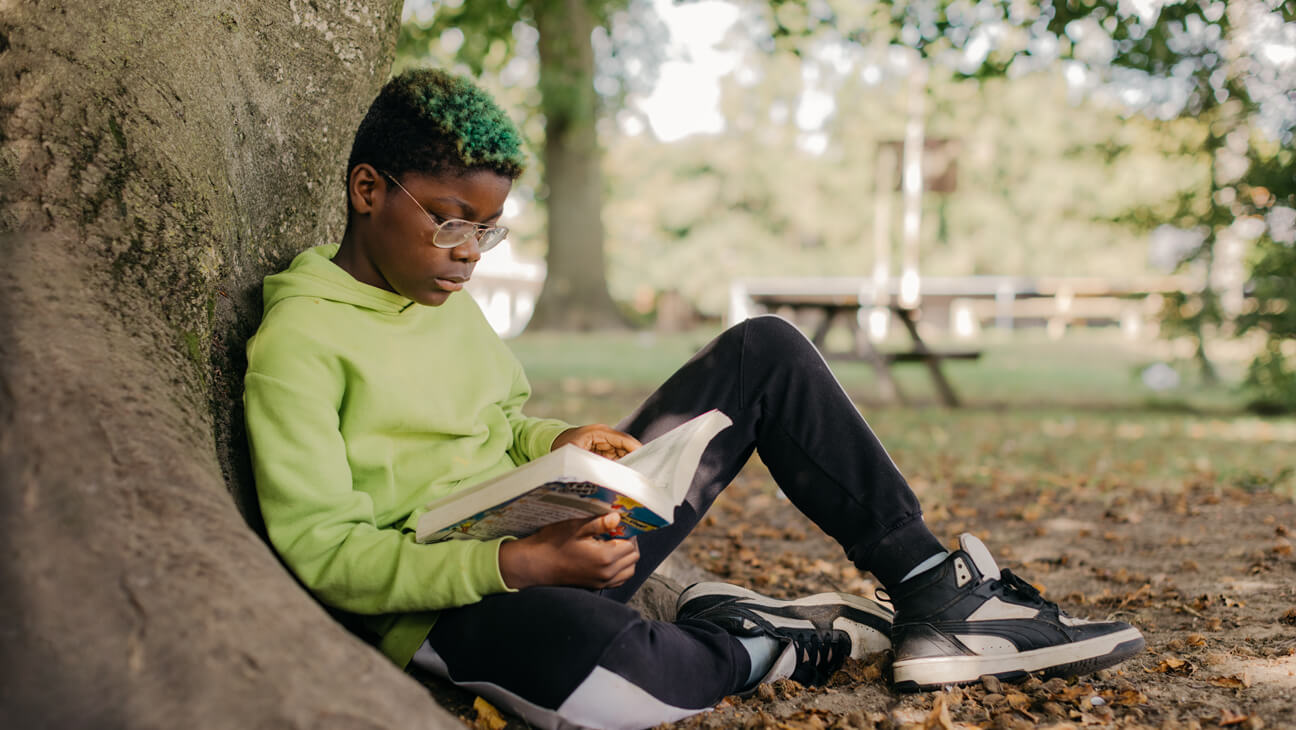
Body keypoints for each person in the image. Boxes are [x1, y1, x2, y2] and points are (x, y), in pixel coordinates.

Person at [243, 69, 1144, 730]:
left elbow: (500, 426)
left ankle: (928, 590)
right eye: (451, 221)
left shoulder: (444, 301)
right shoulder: (301, 343)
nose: (470, 253)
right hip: (470, 598)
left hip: (561, 540)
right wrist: (515, 568)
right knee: (615, 690)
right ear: (368, 190)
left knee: (767, 348)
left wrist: (568, 441)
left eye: (489, 229)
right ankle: (779, 640)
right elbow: (323, 552)